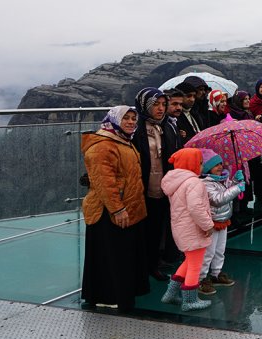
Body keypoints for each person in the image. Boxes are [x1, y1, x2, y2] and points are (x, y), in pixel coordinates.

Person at [80, 106, 148, 311]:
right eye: (125, 118)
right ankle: (106, 296)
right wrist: (117, 209)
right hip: (107, 213)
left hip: (126, 207)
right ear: (114, 119)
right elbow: (104, 182)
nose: (130, 122)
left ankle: (120, 293)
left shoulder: (122, 140)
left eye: (133, 118)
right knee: (109, 256)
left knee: (120, 255)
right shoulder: (103, 146)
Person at [158, 148, 215, 312]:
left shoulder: (176, 182)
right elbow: (195, 208)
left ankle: (171, 293)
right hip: (194, 229)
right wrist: (208, 225)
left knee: (189, 261)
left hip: (181, 228)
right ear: (192, 164)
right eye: (200, 163)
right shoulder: (193, 183)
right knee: (196, 265)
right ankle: (190, 300)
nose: (202, 166)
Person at [133, 87, 179, 280]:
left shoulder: (167, 126)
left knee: (156, 229)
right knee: (140, 231)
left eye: (163, 104)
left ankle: (153, 265)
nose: (161, 109)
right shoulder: (135, 128)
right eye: (156, 105)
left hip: (162, 187)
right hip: (141, 187)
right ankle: (139, 267)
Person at [198, 150, 244, 294]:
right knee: (208, 252)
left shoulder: (221, 179)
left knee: (219, 250)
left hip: (223, 219)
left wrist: (235, 181)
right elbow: (218, 199)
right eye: (215, 165)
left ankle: (216, 273)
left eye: (220, 164)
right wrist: (237, 188)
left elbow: (227, 189)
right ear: (207, 168)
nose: (219, 167)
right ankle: (201, 278)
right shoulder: (206, 183)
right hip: (212, 221)